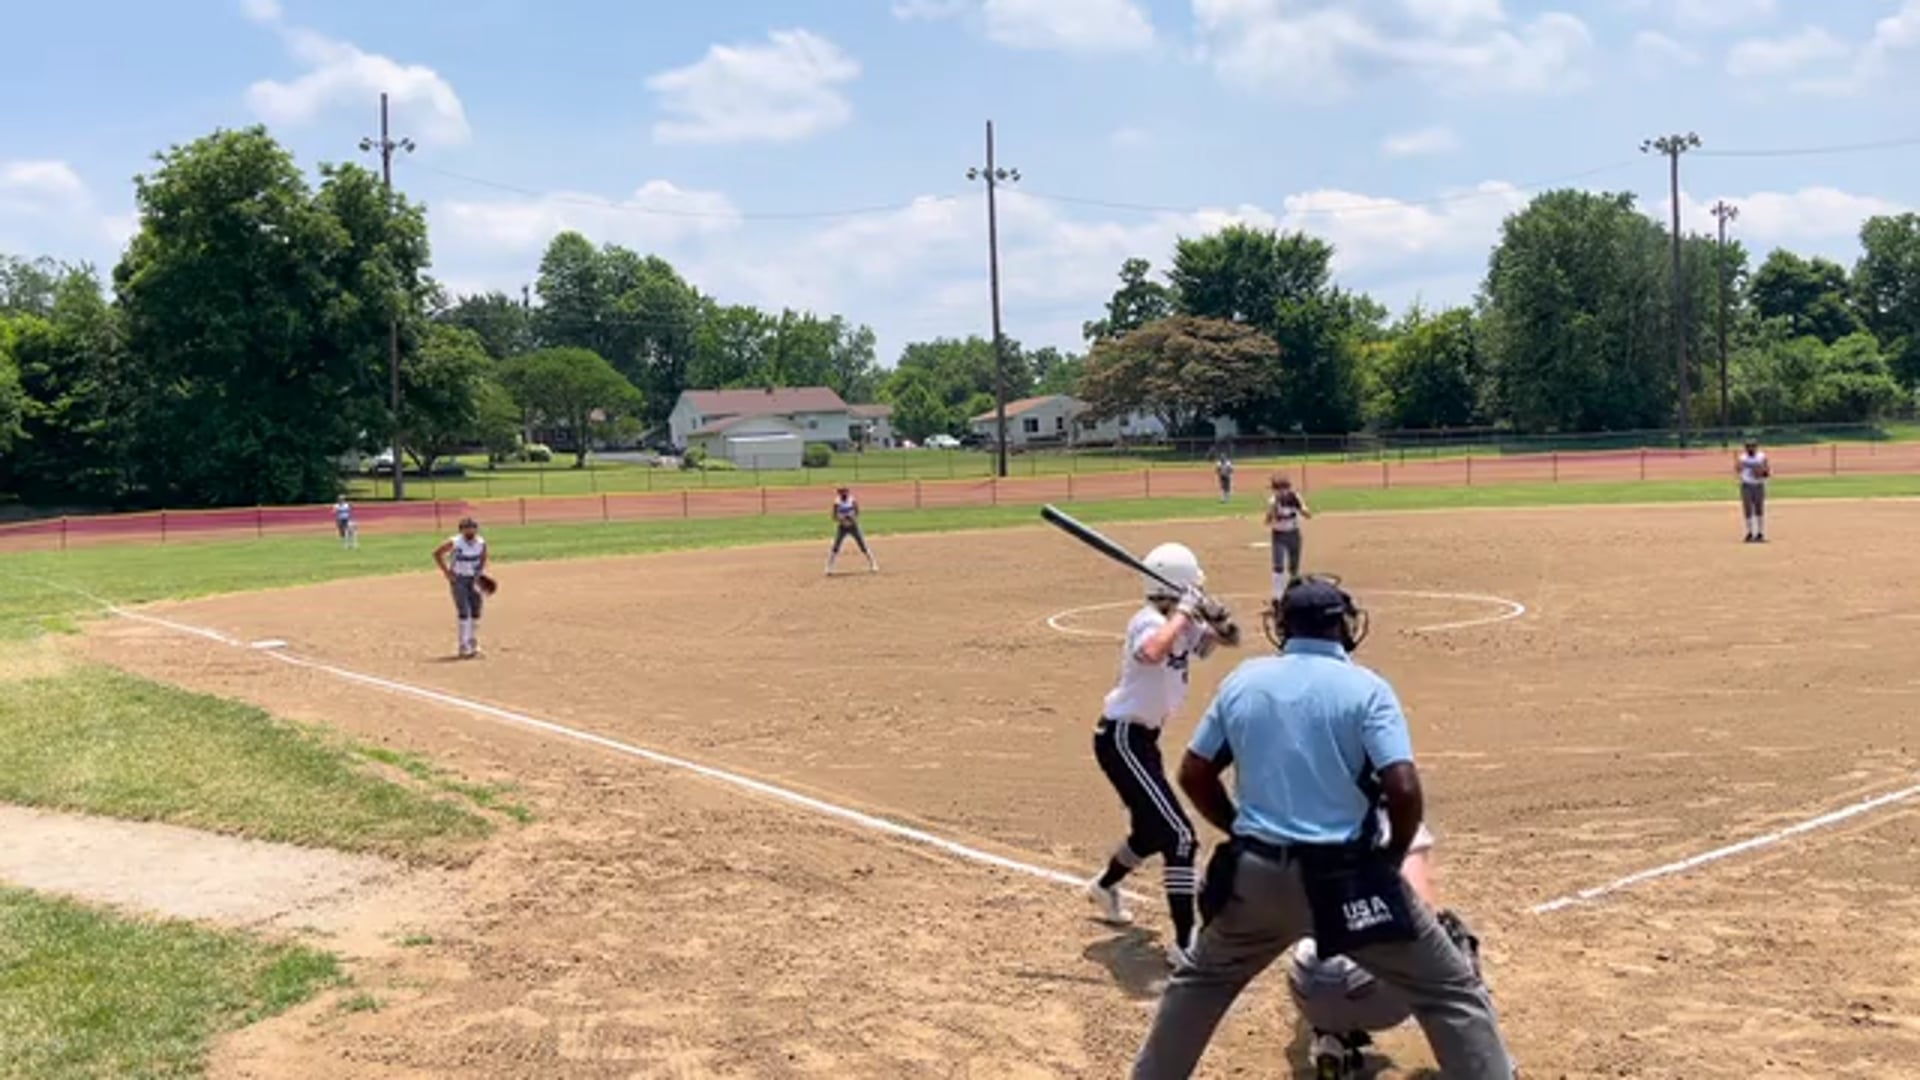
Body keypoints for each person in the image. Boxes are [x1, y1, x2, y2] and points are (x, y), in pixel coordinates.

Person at [1130, 576, 1515, 1080]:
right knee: (1449, 991)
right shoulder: (1367, 688)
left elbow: (1194, 774)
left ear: (1282, 626)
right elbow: (1403, 789)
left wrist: (1239, 829)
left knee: (1199, 985)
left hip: (1256, 878)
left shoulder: (1244, 681)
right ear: (1343, 626)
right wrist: (1387, 860)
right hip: (1348, 880)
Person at [1086, 543, 1241, 968]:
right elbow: (1152, 652)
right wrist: (1185, 613)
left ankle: (1105, 886)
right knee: (1180, 837)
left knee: (1152, 831)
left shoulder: (1179, 623)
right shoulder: (1147, 621)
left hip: (1142, 741)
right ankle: (1187, 942)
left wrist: (1216, 618)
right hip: (1121, 738)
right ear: (1179, 584)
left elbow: (1227, 641)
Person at [1287, 821, 1487, 1078]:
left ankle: (1329, 1043)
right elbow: (1423, 917)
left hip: (1308, 993)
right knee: (1453, 935)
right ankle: (1478, 1058)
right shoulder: (1395, 818)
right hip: (1374, 999)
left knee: (1321, 951)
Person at [433, 517, 489, 659]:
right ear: (461, 530)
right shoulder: (455, 542)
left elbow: (483, 558)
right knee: (464, 611)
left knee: (476, 612)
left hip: (474, 580)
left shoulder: (481, 543)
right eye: (466, 528)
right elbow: (437, 553)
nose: (470, 530)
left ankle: (473, 643)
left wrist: (480, 573)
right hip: (459, 580)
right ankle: (463, 645)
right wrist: (447, 572)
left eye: (472, 527)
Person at [1264, 476, 1311, 593]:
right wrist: (1273, 512)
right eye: (1277, 490)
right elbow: (1267, 521)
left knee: (1294, 567)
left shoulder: (1296, 497)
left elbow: (1308, 515)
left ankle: (1293, 593)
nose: (1280, 492)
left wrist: (1299, 507)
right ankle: (1277, 595)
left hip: (1294, 534)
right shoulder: (1273, 501)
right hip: (1278, 535)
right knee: (1278, 566)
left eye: (1282, 489)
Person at [826, 485, 878, 575]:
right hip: (842, 527)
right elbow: (834, 516)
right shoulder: (837, 502)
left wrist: (851, 518)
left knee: (862, 544)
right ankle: (829, 568)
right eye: (842, 492)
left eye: (845, 492)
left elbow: (857, 512)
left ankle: (873, 564)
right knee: (836, 546)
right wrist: (841, 519)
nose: (844, 494)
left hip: (853, 526)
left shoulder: (852, 500)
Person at [1737, 439, 1770, 543]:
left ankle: (1760, 533)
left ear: (1756, 447)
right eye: (1748, 446)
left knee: (1759, 509)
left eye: (1752, 446)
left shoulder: (1761, 456)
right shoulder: (1742, 458)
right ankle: (1750, 533)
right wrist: (1740, 468)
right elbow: (1738, 470)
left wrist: (1761, 473)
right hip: (1746, 485)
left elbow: (1767, 471)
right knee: (1747, 509)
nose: (1750, 448)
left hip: (1758, 485)